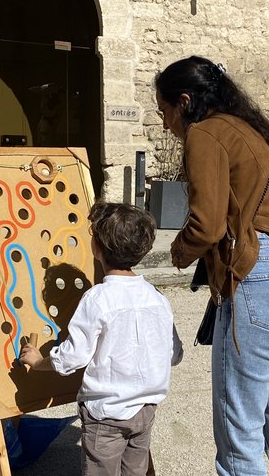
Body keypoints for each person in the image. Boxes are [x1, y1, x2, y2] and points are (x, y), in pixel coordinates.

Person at [155, 55, 269, 476]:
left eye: (164, 110)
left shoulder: (206, 133)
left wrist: (178, 252)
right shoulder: (257, 132)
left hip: (258, 283)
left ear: (185, 101)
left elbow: (207, 225)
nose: (164, 124)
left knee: (239, 434)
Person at [18, 201, 183, 476]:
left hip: (105, 415)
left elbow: (73, 357)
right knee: (136, 471)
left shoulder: (97, 299)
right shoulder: (157, 297)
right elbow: (174, 354)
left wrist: (38, 361)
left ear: (97, 247)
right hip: (145, 411)